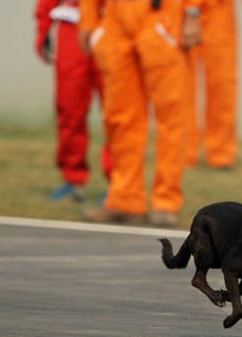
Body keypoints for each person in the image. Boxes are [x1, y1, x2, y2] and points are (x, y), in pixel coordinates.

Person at [79, 0, 207, 226]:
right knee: (120, 118)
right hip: (115, 21)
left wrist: (193, 13)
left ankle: (166, 202)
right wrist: (89, 19)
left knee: (171, 119)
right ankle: (125, 201)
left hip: (160, 18)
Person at [34, 0, 111, 202]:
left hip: (112, 24)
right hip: (72, 27)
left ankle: (119, 184)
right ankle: (72, 179)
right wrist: (43, 27)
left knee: (117, 113)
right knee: (69, 108)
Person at [184, 0, 242, 169]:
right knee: (181, 86)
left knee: (222, 86)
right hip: (179, 11)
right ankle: (182, 151)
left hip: (219, 12)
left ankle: (221, 153)